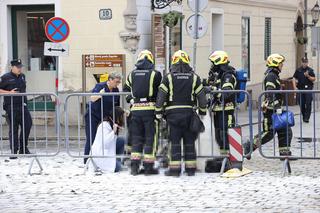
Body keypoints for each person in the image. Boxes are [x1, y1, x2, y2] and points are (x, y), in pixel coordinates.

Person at [155, 50, 207, 177]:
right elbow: (202, 97)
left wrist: (158, 113)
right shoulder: (194, 77)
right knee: (189, 142)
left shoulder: (168, 77)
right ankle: (190, 169)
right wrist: (202, 112)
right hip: (189, 114)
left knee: (175, 142)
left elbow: (161, 97)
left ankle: (175, 170)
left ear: (173, 62)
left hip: (173, 116)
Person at [244, 54, 293, 159]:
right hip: (271, 110)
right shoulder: (271, 76)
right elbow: (269, 92)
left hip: (276, 109)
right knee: (269, 133)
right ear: (275, 64)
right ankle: (250, 145)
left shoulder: (274, 75)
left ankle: (285, 154)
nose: (282, 65)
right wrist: (277, 106)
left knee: (285, 131)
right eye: (281, 63)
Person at [123, 50, 162, 175]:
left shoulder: (131, 74)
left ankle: (134, 167)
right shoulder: (155, 74)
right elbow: (159, 92)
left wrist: (132, 100)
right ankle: (148, 167)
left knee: (136, 139)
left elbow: (126, 91)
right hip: (150, 111)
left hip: (135, 111)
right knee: (150, 138)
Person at [84, 72, 122, 164]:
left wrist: (123, 112)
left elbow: (116, 106)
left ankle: (102, 160)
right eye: (116, 82)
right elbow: (92, 98)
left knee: (105, 139)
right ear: (110, 80)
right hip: (93, 116)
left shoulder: (116, 90)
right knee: (91, 138)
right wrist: (100, 94)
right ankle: (86, 161)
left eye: (119, 82)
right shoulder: (100, 86)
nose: (118, 84)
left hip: (105, 118)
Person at [0, 59, 32, 159]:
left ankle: (23, 148)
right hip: (11, 106)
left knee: (27, 125)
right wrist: (9, 92)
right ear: (12, 67)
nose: (19, 69)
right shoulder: (5, 77)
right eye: (17, 67)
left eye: (20, 67)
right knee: (14, 129)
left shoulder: (22, 76)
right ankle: (14, 151)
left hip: (23, 105)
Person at [207, 51, 237, 155]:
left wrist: (213, 90)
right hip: (218, 110)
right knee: (218, 135)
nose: (212, 66)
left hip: (227, 110)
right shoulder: (218, 75)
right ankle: (222, 158)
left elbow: (226, 93)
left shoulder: (228, 75)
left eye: (213, 63)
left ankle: (229, 159)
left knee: (225, 134)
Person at [90, 107, 125, 173]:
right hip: (101, 154)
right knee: (118, 167)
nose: (122, 119)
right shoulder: (104, 125)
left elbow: (113, 142)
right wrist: (113, 132)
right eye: (121, 117)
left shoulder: (111, 123)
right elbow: (105, 143)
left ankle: (117, 160)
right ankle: (116, 163)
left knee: (121, 140)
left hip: (108, 151)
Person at [293, 57, 316, 123]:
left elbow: (314, 79)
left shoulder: (310, 70)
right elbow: (294, 78)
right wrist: (295, 87)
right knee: (301, 103)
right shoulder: (298, 70)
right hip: (300, 89)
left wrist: (308, 76)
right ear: (301, 62)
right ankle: (304, 115)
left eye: (305, 62)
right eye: (303, 62)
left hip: (308, 89)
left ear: (307, 62)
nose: (304, 63)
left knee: (308, 103)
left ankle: (307, 118)